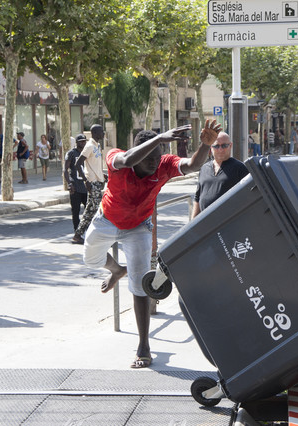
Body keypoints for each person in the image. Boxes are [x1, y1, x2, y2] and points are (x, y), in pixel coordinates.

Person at [82, 119, 222, 369]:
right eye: (148, 159)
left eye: (157, 158)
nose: (154, 163)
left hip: (138, 228)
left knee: (139, 286)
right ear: (138, 153)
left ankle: (144, 346)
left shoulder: (164, 165)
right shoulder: (116, 157)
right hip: (107, 220)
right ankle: (117, 270)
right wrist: (159, 138)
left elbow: (192, 165)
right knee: (90, 259)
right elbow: (126, 160)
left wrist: (205, 145)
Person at [192, 131, 249, 218]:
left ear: (230, 146)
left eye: (224, 146)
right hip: (205, 222)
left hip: (228, 222)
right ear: (211, 147)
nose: (220, 149)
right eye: (216, 146)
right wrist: (193, 222)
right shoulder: (204, 168)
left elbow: (249, 197)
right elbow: (197, 198)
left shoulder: (240, 168)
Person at [71, 124, 105, 245]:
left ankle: (78, 235)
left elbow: (94, 164)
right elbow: (78, 163)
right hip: (92, 182)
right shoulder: (89, 146)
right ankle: (97, 236)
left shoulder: (97, 145)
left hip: (98, 181)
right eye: (101, 131)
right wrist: (86, 181)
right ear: (95, 133)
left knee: (90, 210)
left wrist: (102, 175)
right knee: (98, 209)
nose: (103, 133)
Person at [64, 134, 88, 232]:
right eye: (81, 141)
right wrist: (69, 183)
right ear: (77, 143)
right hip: (75, 187)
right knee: (75, 211)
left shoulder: (87, 152)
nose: (83, 143)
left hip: (86, 186)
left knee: (89, 211)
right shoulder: (71, 153)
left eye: (84, 141)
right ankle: (77, 232)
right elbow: (65, 170)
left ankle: (87, 230)